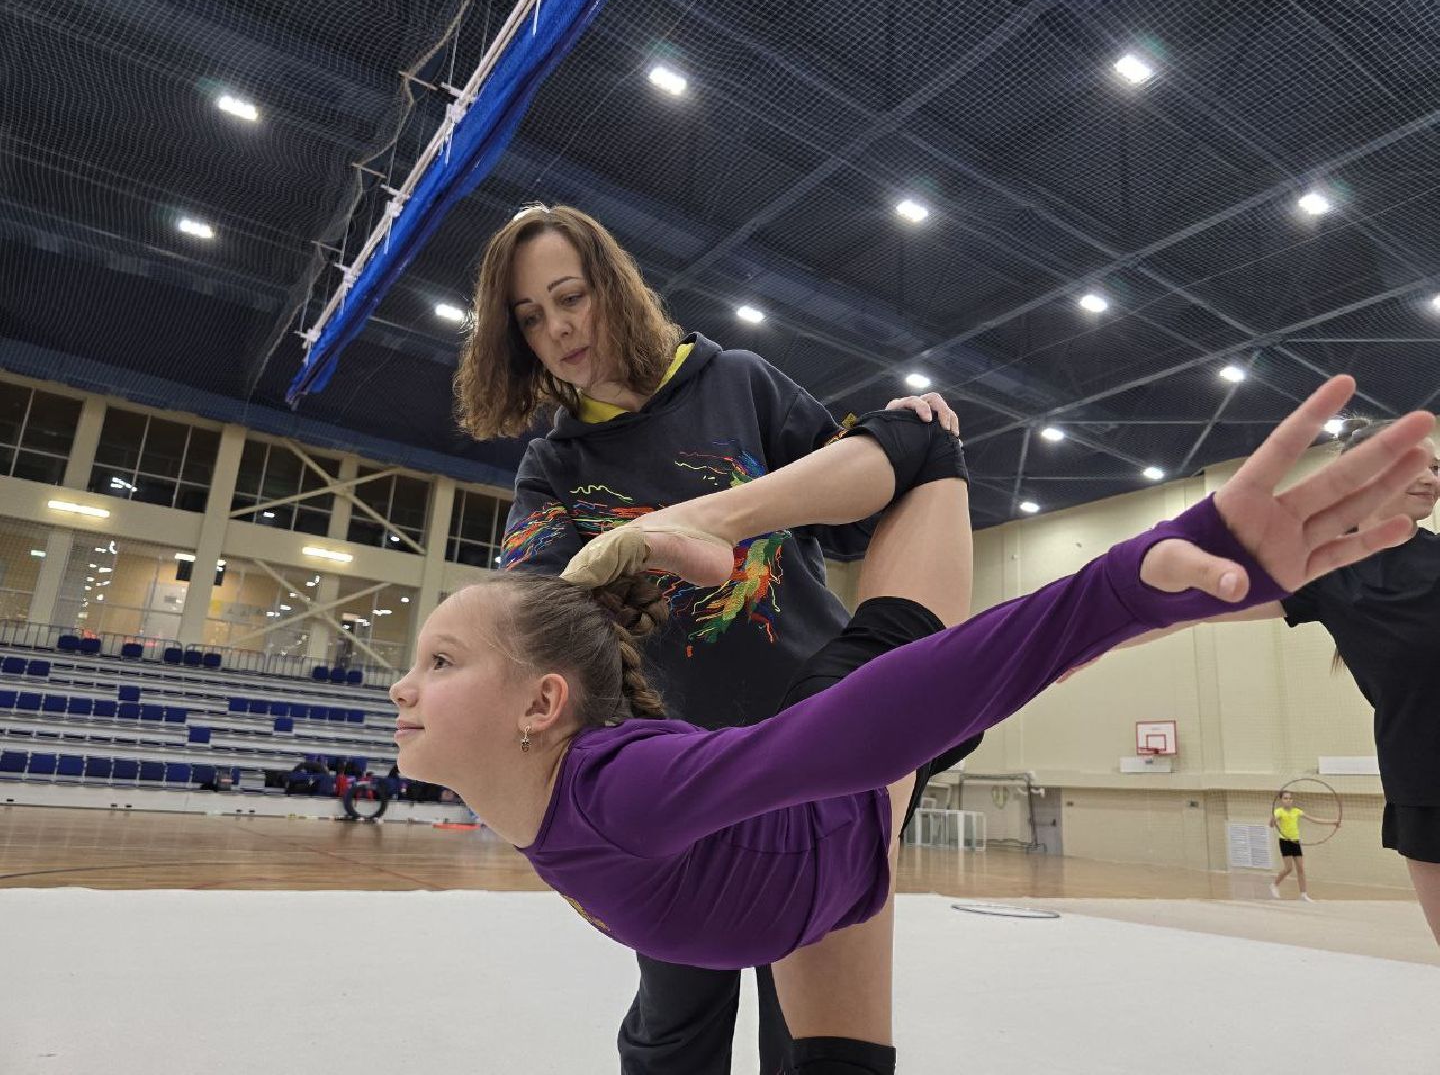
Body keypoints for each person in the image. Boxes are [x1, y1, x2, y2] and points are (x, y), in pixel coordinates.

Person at [391, 376, 1432, 1072]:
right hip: (821, 885)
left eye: (438, 661)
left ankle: (800, 478)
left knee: (933, 454)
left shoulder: (615, 788)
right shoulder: (524, 798)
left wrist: (1120, 584)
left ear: (542, 705)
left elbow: (867, 728)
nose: (402, 686)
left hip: (842, 800)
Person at [454, 201, 977, 1073]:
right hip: (677, 763)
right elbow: (535, 614)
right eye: (530, 317)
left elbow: (857, 517)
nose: (558, 329)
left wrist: (899, 427)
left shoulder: (738, 379)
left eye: (569, 296)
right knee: (676, 1002)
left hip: (814, 726)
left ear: (612, 288)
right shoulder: (553, 467)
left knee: (806, 995)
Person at [1067, 415, 1440, 945]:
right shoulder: (1326, 572)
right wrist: (1083, 646)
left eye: (1437, 467)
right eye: (1414, 464)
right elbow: (1190, 610)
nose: (1431, 478)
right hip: (1424, 778)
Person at [1269, 789, 1338, 900]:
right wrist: (1273, 820)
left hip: (1295, 841)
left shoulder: (1297, 811)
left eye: (1290, 798)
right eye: (1285, 798)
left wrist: (1332, 822)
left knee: (1300, 868)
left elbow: (1314, 819)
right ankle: (1274, 884)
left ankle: (1303, 895)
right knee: (1288, 868)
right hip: (1285, 841)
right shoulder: (1278, 812)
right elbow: (1271, 825)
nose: (1288, 800)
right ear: (1281, 800)